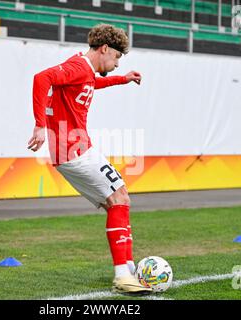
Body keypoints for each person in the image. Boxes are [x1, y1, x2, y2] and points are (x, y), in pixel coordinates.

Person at [27, 24, 151, 294]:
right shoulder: (79, 67)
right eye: (117, 57)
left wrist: (124, 78)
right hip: (74, 149)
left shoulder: (84, 72)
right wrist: (39, 125)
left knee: (118, 200)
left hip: (74, 149)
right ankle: (122, 275)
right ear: (104, 48)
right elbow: (41, 78)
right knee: (119, 198)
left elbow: (93, 83)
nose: (117, 64)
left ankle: (128, 268)